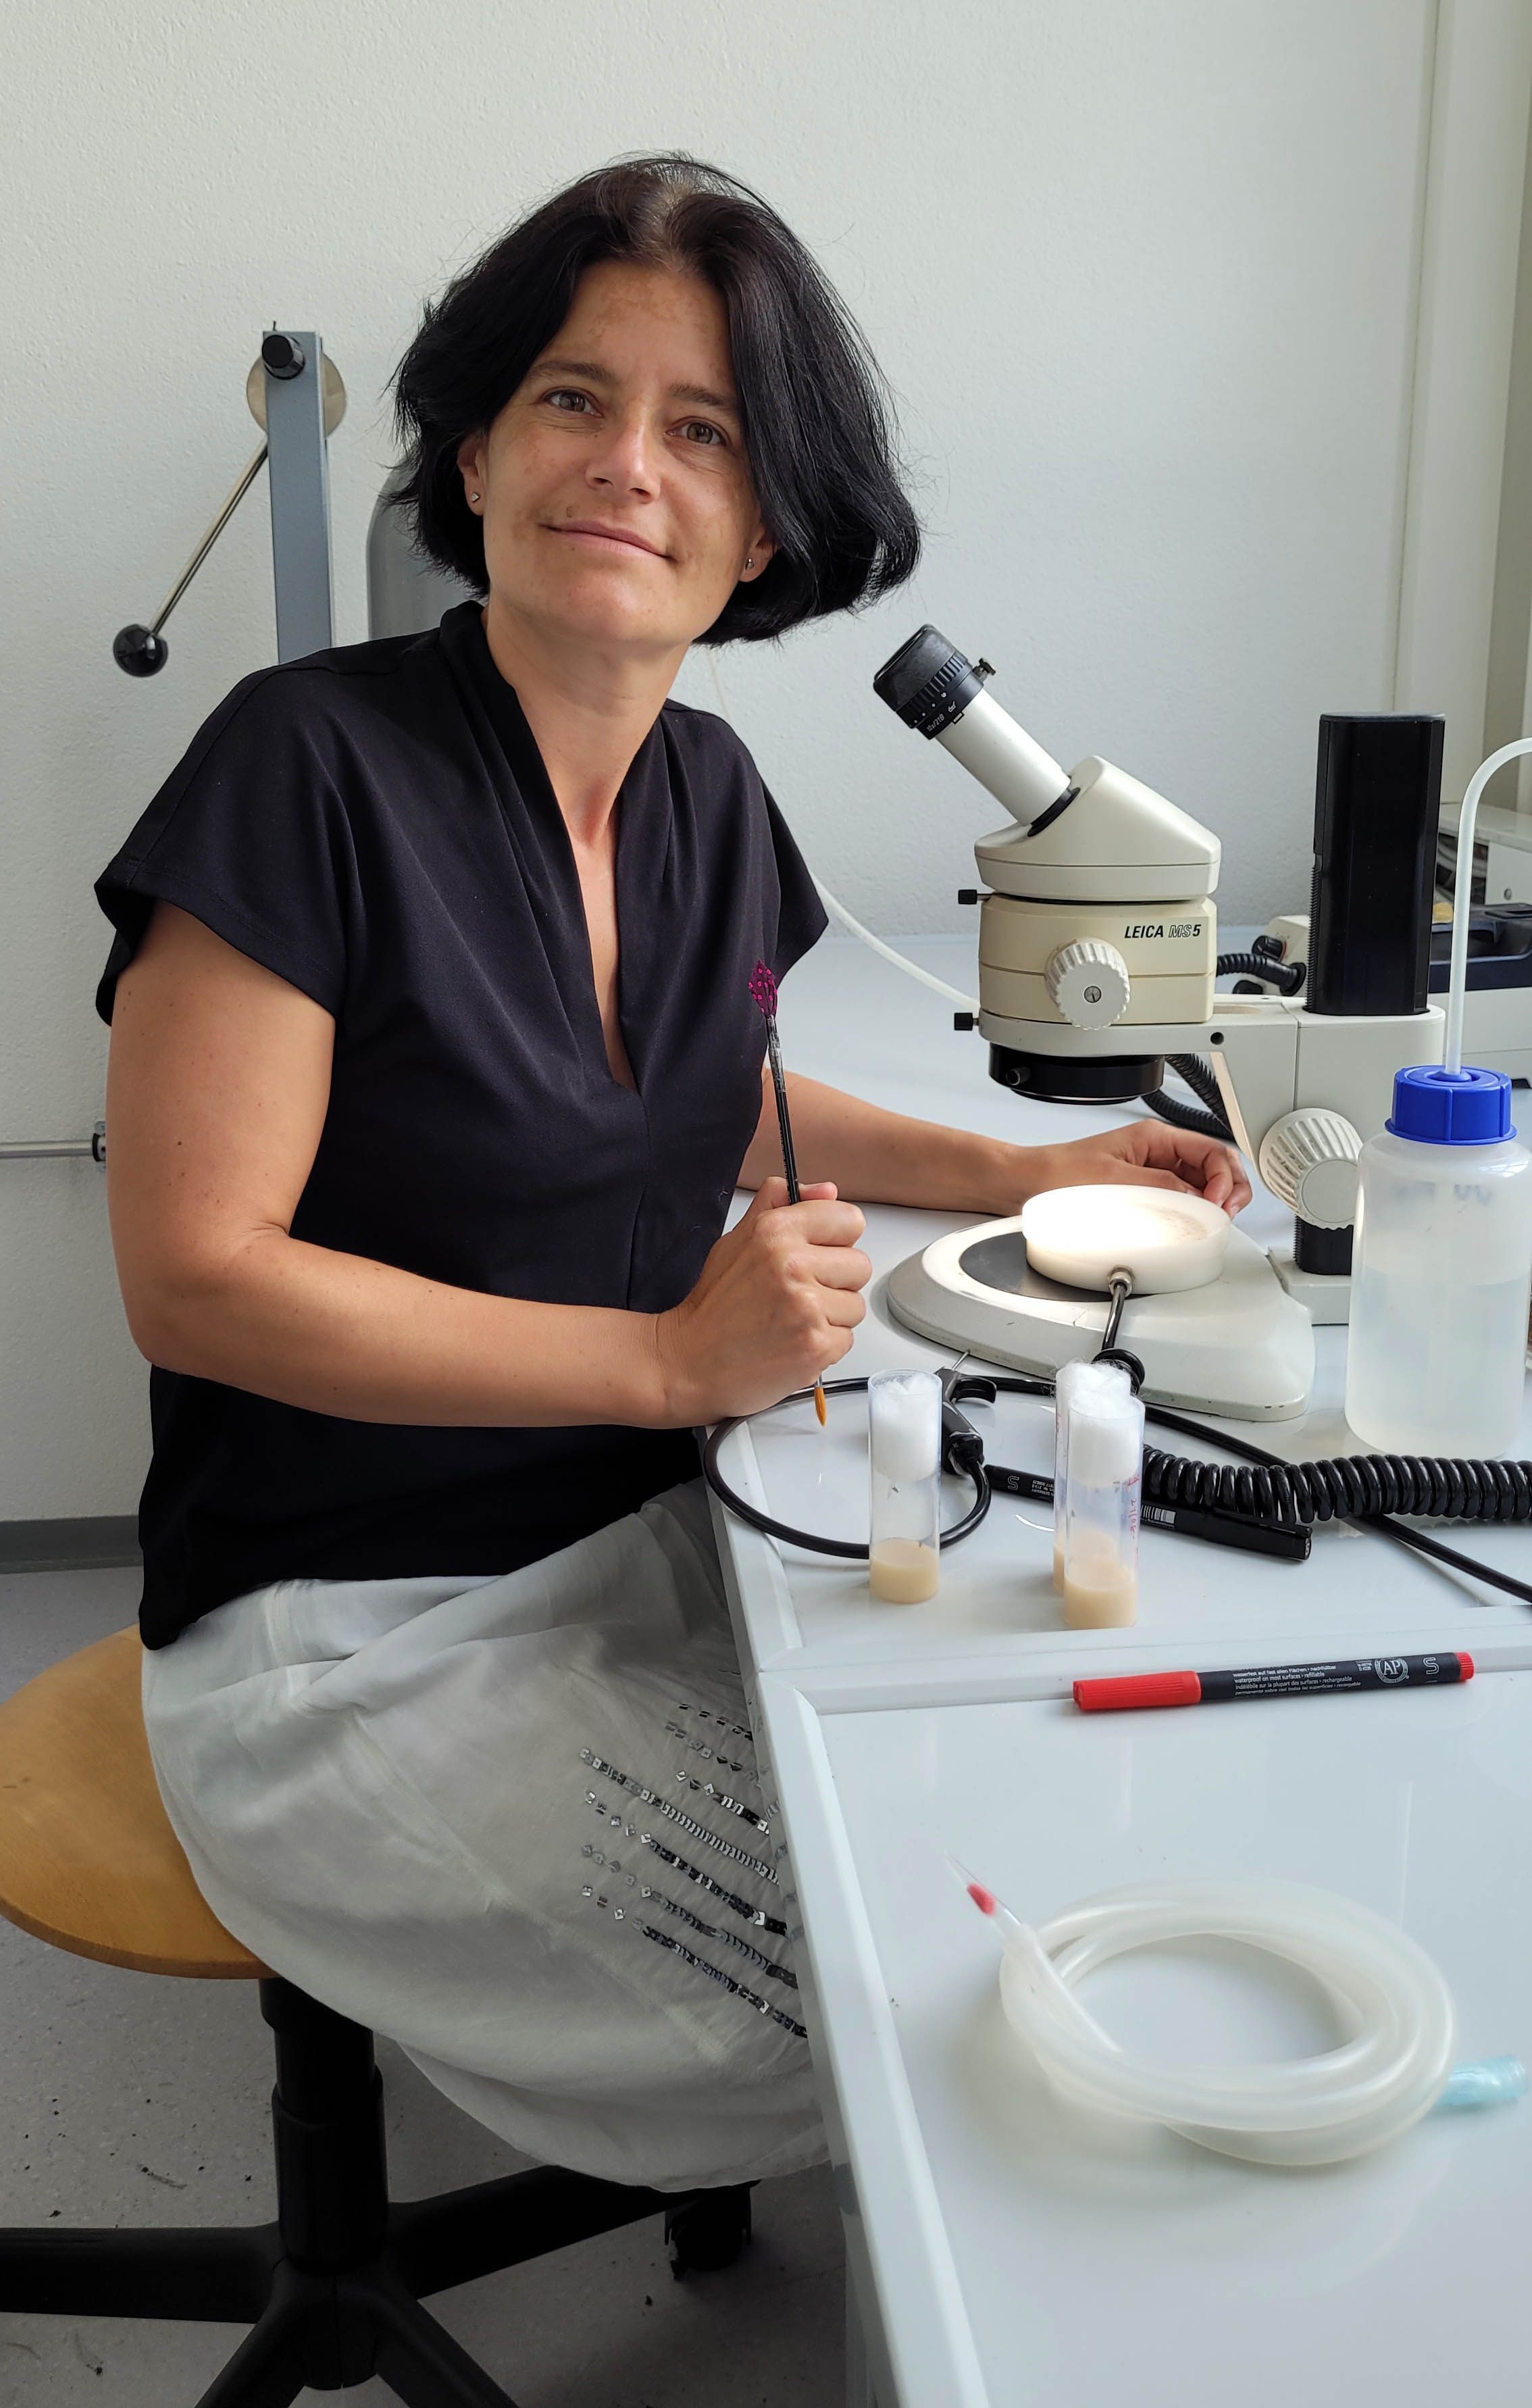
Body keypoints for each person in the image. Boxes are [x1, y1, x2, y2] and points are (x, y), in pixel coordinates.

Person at [95, 155, 1250, 2193]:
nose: (626, 463)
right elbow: (196, 1275)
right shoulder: (304, 764)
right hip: (348, 1638)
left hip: (647, 1554)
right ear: (472, 449)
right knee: (919, 2033)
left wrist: (1014, 1159)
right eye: (572, 397)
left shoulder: (708, 790)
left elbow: (691, 1095)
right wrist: (657, 1358)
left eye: (699, 428)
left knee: (1026, 1841)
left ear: (766, 524)